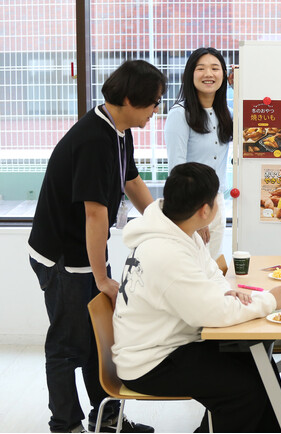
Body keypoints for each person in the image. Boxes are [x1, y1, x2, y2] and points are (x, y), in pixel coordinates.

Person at [27, 60, 166, 433]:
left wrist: (165, 225)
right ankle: (66, 424)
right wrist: (102, 278)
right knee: (68, 345)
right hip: (62, 257)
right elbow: (94, 215)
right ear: (127, 99)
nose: (157, 110)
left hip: (84, 252)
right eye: (152, 102)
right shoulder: (92, 140)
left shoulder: (119, 129)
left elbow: (131, 180)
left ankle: (107, 421)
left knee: (97, 343)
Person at [112, 162, 281, 433]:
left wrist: (226, 292)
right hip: (152, 362)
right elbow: (212, 313)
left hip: (172, 343)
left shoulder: (179, 230)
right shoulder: (166, 252)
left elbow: (211, 275)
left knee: (260, 367)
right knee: (244, 391)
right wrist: (270, 301)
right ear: (205, 210)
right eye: (217, 200)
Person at [165, 47, 233, 259]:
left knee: (211, 269)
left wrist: (239, 88)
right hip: (191, 205)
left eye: (215, 68)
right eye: (201, 68)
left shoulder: (226, 114)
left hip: (217, 202)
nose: (208, 74)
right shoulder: (180, 114)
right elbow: (177, 169)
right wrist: (195, 215)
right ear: (190, 74)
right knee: (192, 270)